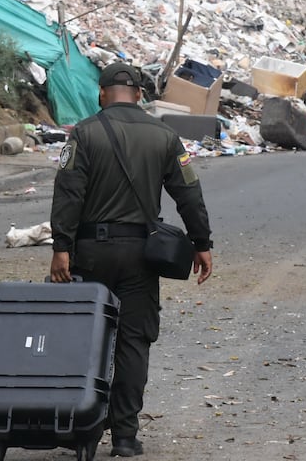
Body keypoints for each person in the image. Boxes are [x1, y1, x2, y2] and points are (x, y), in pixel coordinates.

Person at [48, 62, 213, 458]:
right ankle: (124, 436)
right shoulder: (166, 136)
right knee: (133, 342)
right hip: (141, 256)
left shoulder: (84, 134)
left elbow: (68, 191)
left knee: (85, 337)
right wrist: (201, 243)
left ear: (102, 93)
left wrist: (61, 247)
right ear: (140, 94)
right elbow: (189, 193)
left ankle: (79, 427)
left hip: (90, 253)